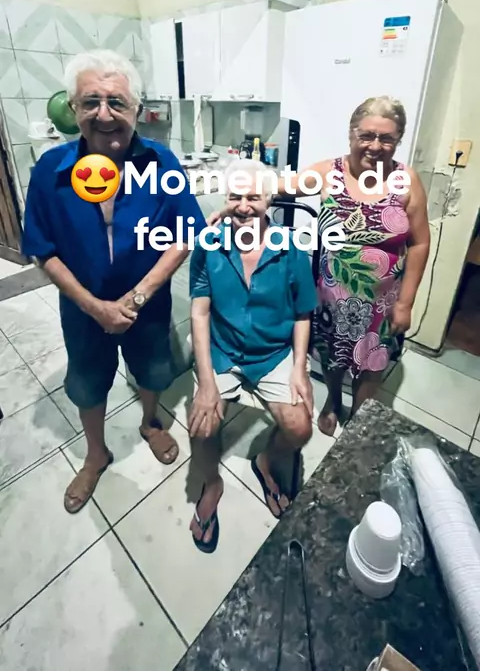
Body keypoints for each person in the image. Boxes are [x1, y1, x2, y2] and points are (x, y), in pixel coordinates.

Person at [22, 50, 205, 513]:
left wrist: (138, 297)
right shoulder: (50, 170)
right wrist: (94, 306)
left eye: (116, 102)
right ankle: (96, 453)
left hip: (148, 304)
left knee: (153, 370)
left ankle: (150, 422)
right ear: (73, 108)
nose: (104, 114)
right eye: (91, 102)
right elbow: (43, 249)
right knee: (87, 382)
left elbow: (185, 234)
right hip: (82, 308)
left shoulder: (162, 163)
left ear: (136, 109)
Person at [188, 158, 317, 553]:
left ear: (270, 199)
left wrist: (299, 368)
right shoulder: (209, 243)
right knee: (202, 427)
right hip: (223, 350)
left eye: (254, 197)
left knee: (300, 428)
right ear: (225, 199)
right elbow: (200, 312)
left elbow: (303, 313)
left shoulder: (291, 248)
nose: (244, 206)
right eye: (235, 196)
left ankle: (265, 460)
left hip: (272, 352)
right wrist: (207, 383)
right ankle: (212, 484)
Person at [281, 96, 430, 435]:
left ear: (398, 140)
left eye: (386, 138)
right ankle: (333, 400)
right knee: (332, 358)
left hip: (383, 303)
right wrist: (233, 192)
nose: (375, 146)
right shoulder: (328, 173)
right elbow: (275, 188)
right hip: (332, 298)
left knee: (372, 365)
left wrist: (406, 304)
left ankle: (359, 421)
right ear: (351, 134)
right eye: (367, 135)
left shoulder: (407, 181)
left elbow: (420, 243)